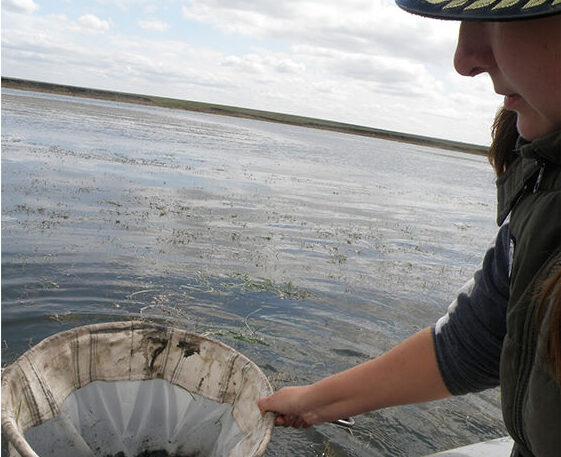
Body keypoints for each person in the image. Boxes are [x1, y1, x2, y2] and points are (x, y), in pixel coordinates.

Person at [257, 1, 561, 456]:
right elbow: (476, 340)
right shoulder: (543, 182)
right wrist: (311, 401)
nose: (465, 58)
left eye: (499, 13)